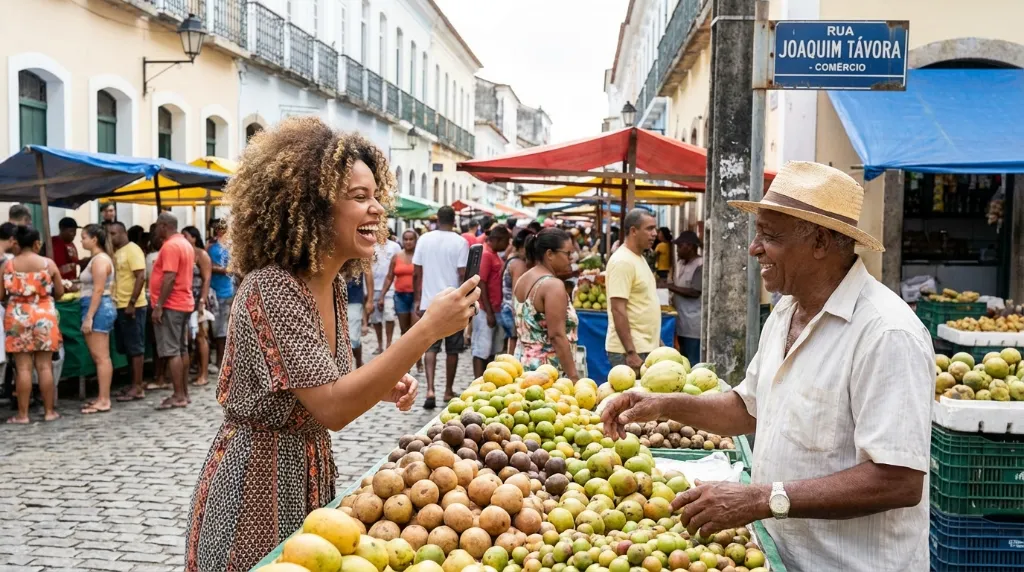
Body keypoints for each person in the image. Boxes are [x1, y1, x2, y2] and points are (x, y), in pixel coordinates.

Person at [603, 161, 932, 572]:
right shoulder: (784, 315)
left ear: (821, 241)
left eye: (769, 237)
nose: (754, 248)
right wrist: (662, 403)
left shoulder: (887, 333)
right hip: (779, 556)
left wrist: (762, 498)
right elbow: (748, 409)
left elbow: (898, 481)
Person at [186, 117, 478, 571]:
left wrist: (381, 385)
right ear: (312, 208)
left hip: (308, 475)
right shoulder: (273, 288)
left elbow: (326, 379)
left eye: (375, 195)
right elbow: (333, 408)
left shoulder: (334, 287)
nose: (377, 209)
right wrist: (425, 330)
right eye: (359, 198)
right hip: (254, 489)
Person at [3, 226, 64, 423]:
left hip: (18, 316)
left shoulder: (9, 265)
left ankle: (23, 415)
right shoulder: (48, 264)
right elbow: (60, 292)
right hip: (44, 314)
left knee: (22, 368)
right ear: (36, 243)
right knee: (45, 366)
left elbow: (1, 295)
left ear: (17, 243)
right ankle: (49, 412)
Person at [413, 205, 469, 409]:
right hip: (453, 302)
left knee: (431, 347)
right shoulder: (460, 242)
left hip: (430, 302)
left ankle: (430, 389)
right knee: (452, 349)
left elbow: (416, 272)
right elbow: (463, 274)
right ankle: (447, 390)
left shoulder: (424, 239)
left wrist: (418, 300)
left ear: (437, 219)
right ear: (454, 221)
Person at [512, 228, 579, 379]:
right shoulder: (553, 285)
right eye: (567, 253)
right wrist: (574, 377)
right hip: (547, 372)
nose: (571, 258)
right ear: (550, 254)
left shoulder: (524, 279)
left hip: (523, 364)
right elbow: (556, 335)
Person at [149, 213, 195, 410]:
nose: (156, 229)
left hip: (172, 304)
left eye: (158, 226)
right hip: (183, 302)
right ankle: (183, 392)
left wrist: (159, 305)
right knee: (181, 348)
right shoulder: (184, 243)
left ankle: (178, 395)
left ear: (164, 226)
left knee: (172, 350)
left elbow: (169, 277)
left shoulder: (170, 246)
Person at [605, 209, 660, 372]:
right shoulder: (622, 261)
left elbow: (642, 303)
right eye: (649, 229)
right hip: (629, 350)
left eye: (655, 229)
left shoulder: (638, 258)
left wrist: (658, 342)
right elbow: (618, 309)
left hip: (644, 347)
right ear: (633, 231)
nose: (655, 234)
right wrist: (631, 352)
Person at [77, 224, 117, 414]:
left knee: (101, 357)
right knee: (100, 356)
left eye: (84, 237)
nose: (81, 240)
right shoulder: (98, 259)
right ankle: (102, 397)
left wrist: (89, 317)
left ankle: (104, 399)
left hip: (98, 308)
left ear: (94, 239)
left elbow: (98, 290)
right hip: (97, 306)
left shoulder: (100, 260)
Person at [108, 222, 148, 402]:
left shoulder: (132, 250)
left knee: (136, 348)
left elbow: (141, 275)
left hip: (133, 305)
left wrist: (132, 302)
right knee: (127, 348)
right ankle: (133, 383)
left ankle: (138, 386)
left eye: (114, 233)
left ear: (123, 233)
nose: (111, 237)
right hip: (120, 304)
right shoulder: (117, 252)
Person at [379, 229, 422, 371]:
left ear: (416, 240)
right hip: (400, 296)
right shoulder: (397, 256)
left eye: (411, 239)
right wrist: (382, 295)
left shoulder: (420, 256)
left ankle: (418, 359)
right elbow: (390, 277)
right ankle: (407, 362)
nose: (408, 242)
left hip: (417, 297)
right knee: (404, 331)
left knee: (415, 331)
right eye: (406, 239)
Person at [472, 226, 511, 377]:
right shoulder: (487, 255)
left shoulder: (494, 254)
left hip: (495, 309)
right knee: (481, 349)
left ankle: (485, 378)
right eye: (506, 241)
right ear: (499, 240)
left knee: (490, 350)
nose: (508, 245)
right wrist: (488, 312)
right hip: (485, 309)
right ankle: (478, 379)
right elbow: (482, 282)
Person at [664, 231, 703, 365]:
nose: (677, 250)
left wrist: (670, 287)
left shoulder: (700, 265)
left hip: (693, 323)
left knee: (692, 360)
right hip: (680, 321)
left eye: (680, 246)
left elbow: (695, 292)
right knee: (683, 359)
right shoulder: (680, 263)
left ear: (690, 246)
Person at [182, 226, 214, 386]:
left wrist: (202, 299)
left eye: (186, 235)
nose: (183, 238)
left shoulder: (201, 255)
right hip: (185, 298)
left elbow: (207, 279)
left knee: (201, 336)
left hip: (198, 298)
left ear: (194, 238)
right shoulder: (184, 253)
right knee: (188, 337)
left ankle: (204, 374)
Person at [500, 228, 533, 355]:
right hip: (511, 309)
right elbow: (517, 292)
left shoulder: (513, 258)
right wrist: (518, 314)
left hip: (508, 307)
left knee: (512, 340)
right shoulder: (518, 263)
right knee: (514, 341)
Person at [207, 219, 233, 372]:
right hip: (217, 291)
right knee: (218, 330)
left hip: (222, 292)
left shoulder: (226, 247)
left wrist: (213, 267)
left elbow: (230, 268)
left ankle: (220, 363)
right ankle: (220, 362)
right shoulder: (215, 245)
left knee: (220, 330)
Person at [369, 231, 401, 352]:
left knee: (389, 316)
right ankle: (380, 344)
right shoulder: (371, 246)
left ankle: (388, 344)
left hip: (391, 287)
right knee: (376, 319)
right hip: (373, 287)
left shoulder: (394, 246)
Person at [347, 270, 373, 367]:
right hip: (333, 295)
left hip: (354, 296)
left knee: (353, 337)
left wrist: (370, 300)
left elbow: (368, 272)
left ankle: (358, 362)